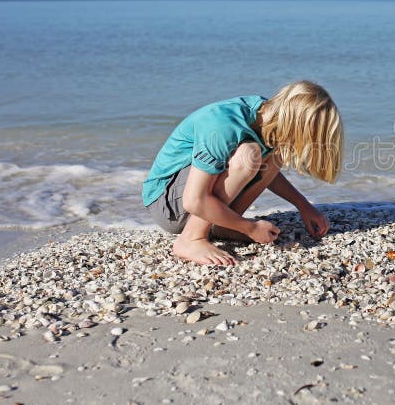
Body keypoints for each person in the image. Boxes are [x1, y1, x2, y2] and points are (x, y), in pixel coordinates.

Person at [142, 81, 343, 266]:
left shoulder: (268, 116)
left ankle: (226, 227)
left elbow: (268, 174)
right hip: (167, 205)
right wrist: (250, 228)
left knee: (273, 154)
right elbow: (194, 201)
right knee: (249, 154)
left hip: (196, 203)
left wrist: (303, 206)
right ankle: (192, 238)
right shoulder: (223, 125)